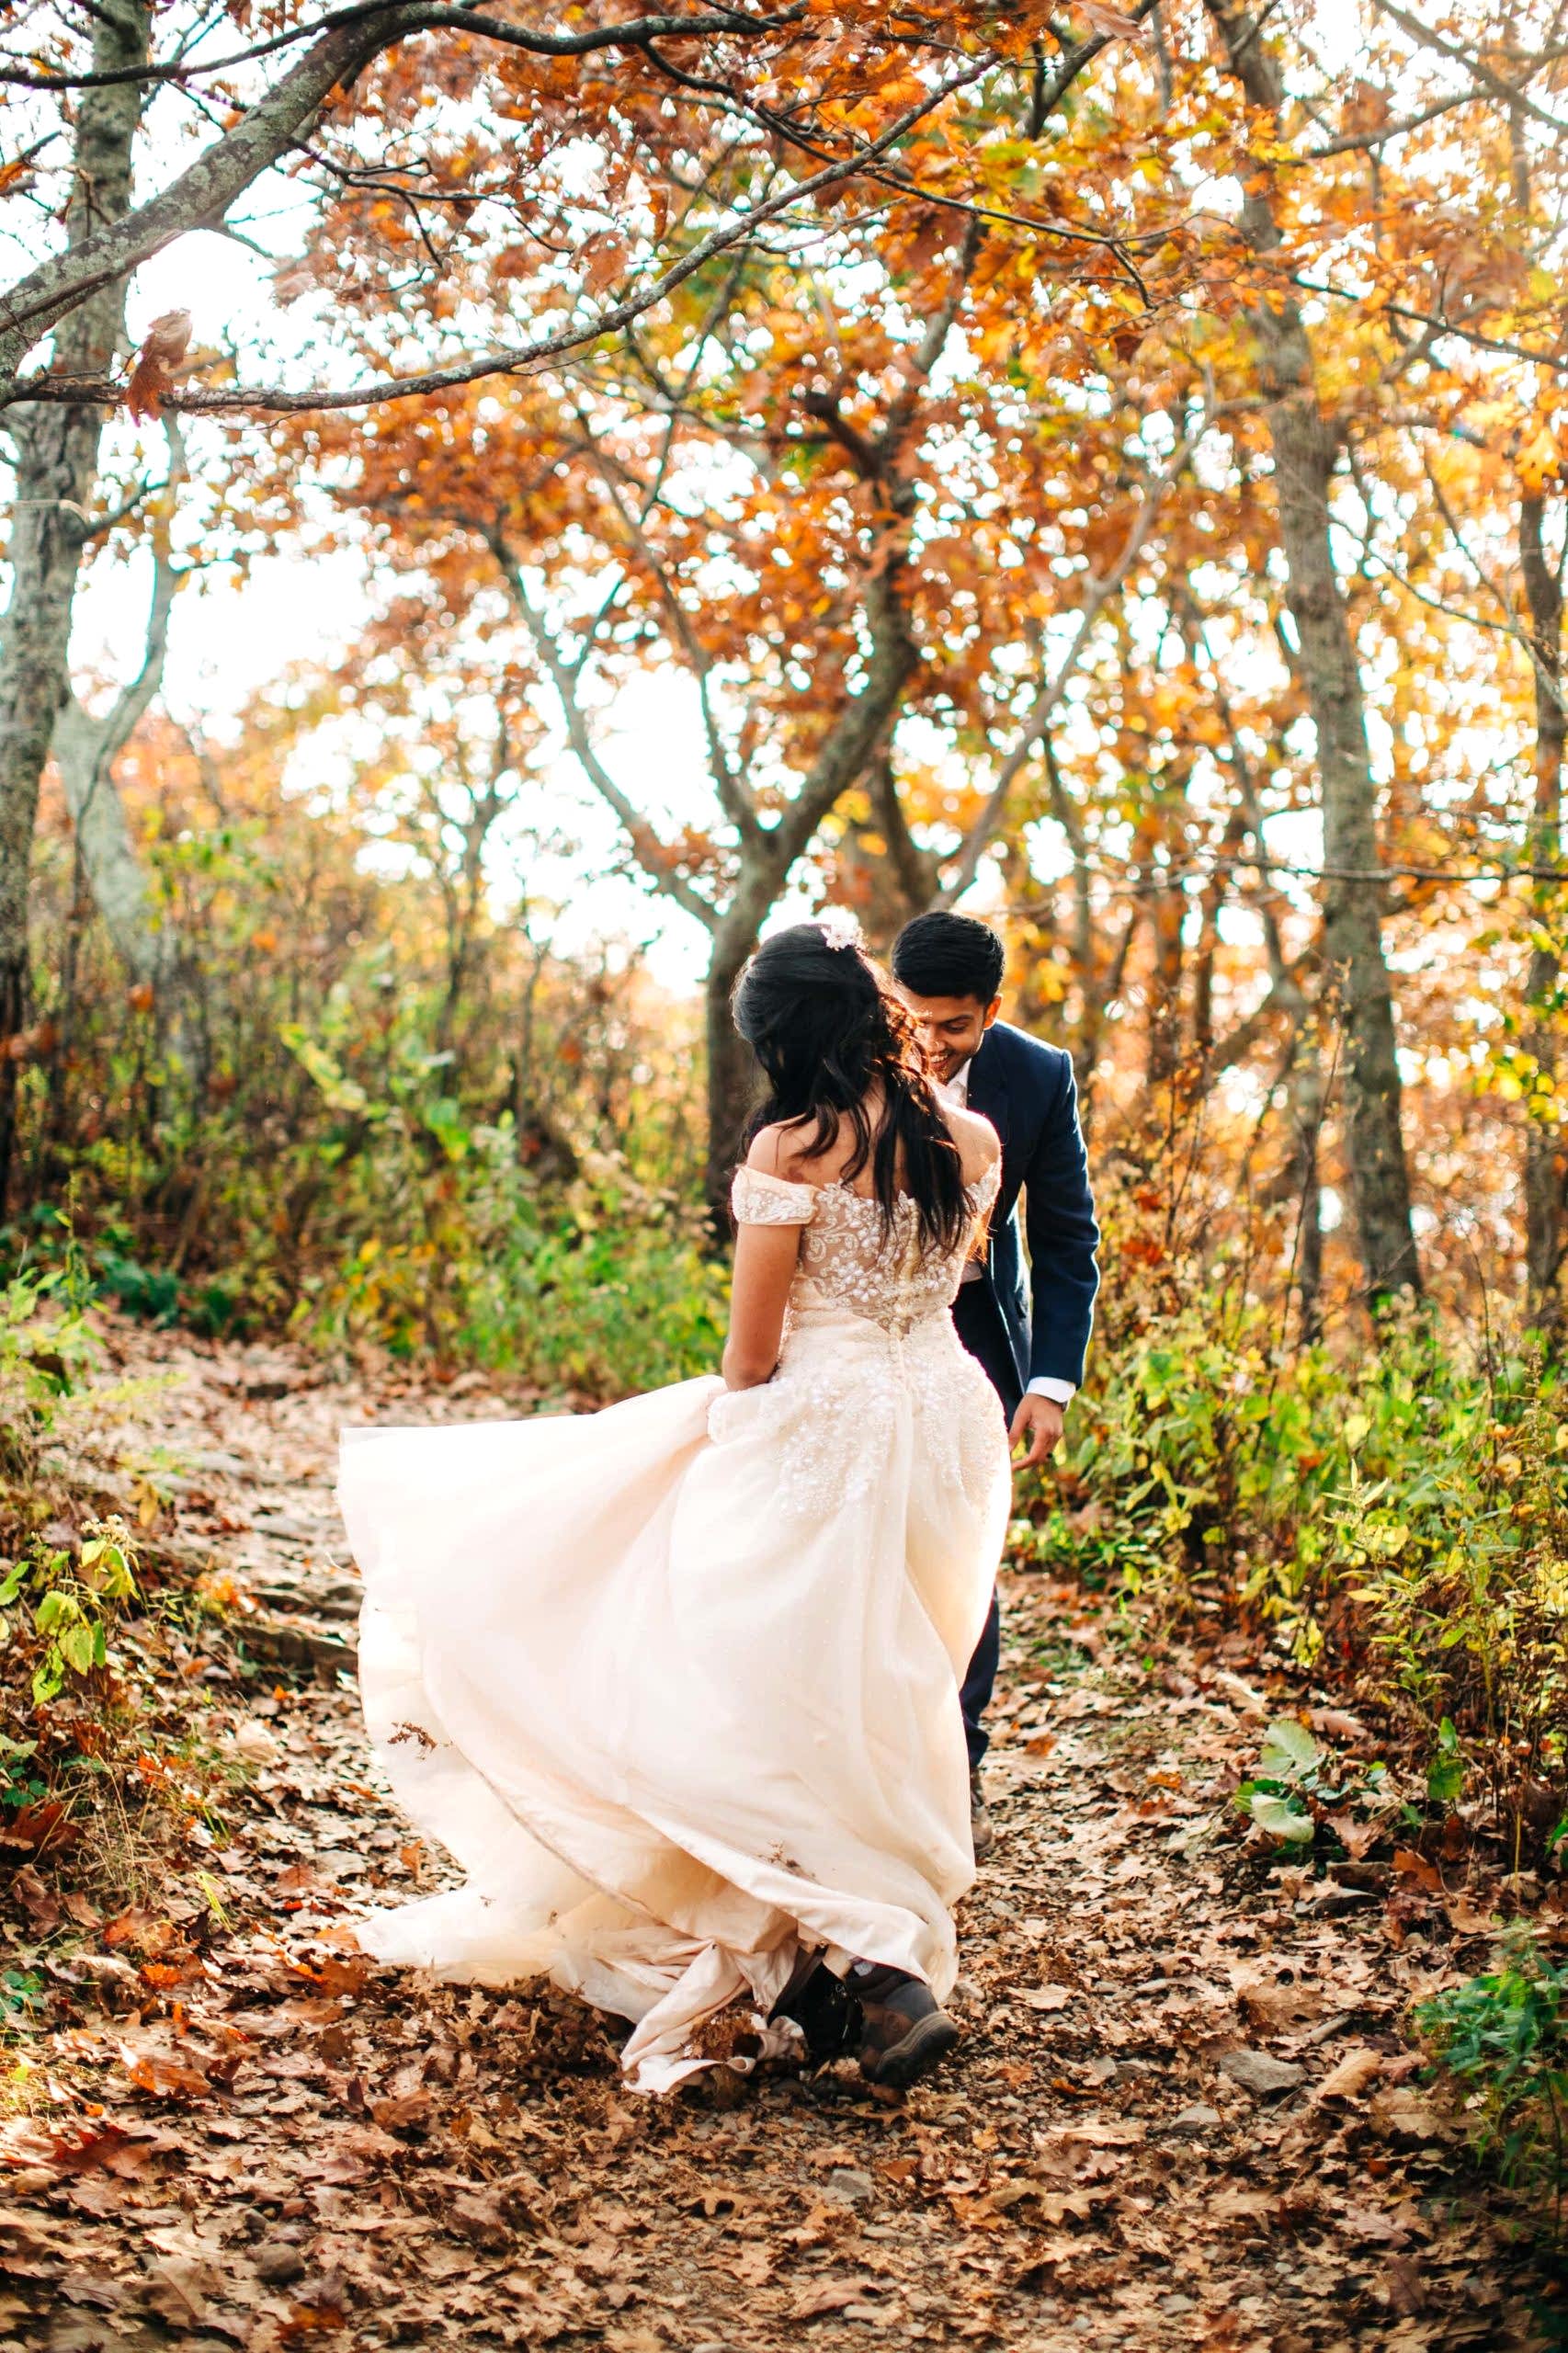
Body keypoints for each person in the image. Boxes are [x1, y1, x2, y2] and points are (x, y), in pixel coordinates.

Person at [337, 917, 1012, 2095]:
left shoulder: (793, 1150)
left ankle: (853, 1962)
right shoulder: (972, 1136)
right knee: (882, 1687)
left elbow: (753, 1355)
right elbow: (940, 1293)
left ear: (780, 1040)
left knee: (725, 1679)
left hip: (834, 1432)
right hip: (948, 1432)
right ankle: (840, 1973)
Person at [891, 911, 1100, 1858]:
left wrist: (1049, 1380)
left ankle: (952, 1763)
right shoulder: (849, 1054)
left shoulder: (1038, 1075)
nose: (930, 1047)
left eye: (953, 1027)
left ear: (991, 1012)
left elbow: (1064, 1238)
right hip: (856, 1326)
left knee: (958, 1542)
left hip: (970, 1323)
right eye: (916, 1021)